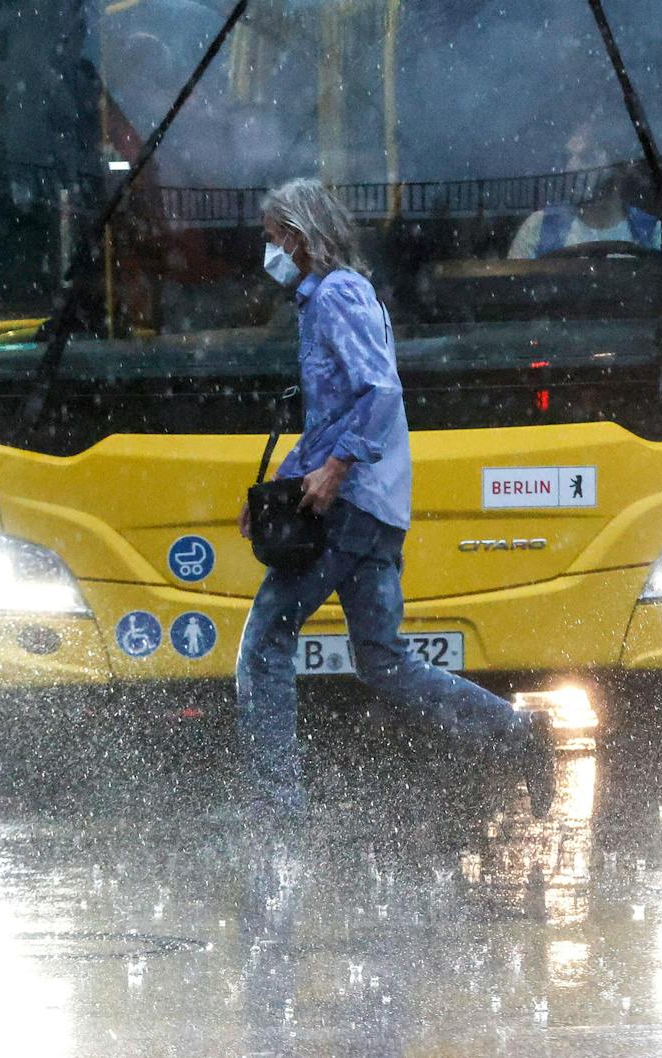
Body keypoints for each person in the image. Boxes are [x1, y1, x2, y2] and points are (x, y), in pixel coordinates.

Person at [236, 178, 556, 818]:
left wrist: (331, 470)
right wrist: (281, 483)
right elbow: (332, 414)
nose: (268, 250)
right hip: (373, 507)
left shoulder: (336, 296)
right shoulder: (331, 298)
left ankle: (276, 810)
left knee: (263, 647)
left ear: (299, 237)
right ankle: (517, 734)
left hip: (348, 507)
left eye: (273, 238)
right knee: (382, 661)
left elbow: (377, 392)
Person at [507, 121, 662, 259]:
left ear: (620, 167)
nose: (571, 168)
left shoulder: (656, 233)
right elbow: (511, 296)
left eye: (586, 157)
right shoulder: (538, 227)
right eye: (568, 157)